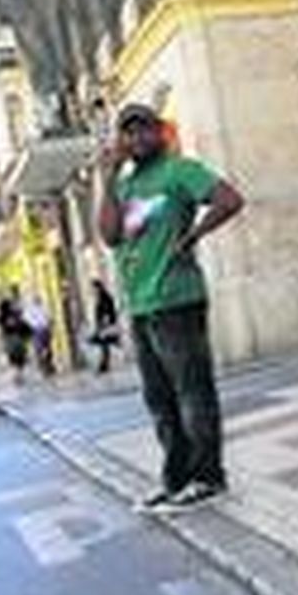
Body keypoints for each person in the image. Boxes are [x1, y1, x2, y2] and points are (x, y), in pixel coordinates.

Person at [98, 103, 245, 512]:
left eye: (144, 128)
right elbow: (110, 235)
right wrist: (108, 178)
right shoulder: (126, 187)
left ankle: (208, 477)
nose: (136, 138)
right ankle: (177, 480)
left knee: (193, 392)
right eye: (128, 132)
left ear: (159, 132)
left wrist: (193, 235)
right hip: (142, 306)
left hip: (177, 299)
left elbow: (230, 199)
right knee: (159, 399)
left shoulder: (179, 170)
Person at [0, 291, 31, 384]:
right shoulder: (12, 314)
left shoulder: (0, 317)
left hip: (8, 339)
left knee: (14, 357)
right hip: (16, 337)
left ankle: (17, 374)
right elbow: (19, 322)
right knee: (20, 357)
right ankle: (18, 374)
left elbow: (2, 326)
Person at [89, 279, 121, 374]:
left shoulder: (105, 297)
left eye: (93, 288)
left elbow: (109, 311)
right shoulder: (100, 298)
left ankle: (104, 365)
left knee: (104, 345)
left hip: (106, 325)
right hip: (102, 325)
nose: (92, 291)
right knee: (104, 345)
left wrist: (106, 322)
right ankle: (103, 365)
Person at [23, 295, 54, 378]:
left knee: (47, 348)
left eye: (38, 299)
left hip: (44, 329)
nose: (38, 300)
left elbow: (50, 317)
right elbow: (27, 319)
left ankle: (48, 365)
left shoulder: (44, 307)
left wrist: (49, 324)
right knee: (40, 349)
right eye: (36, 299)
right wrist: (35, 325)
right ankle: (43, 367)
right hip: (37, 331)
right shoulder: (30, 309)